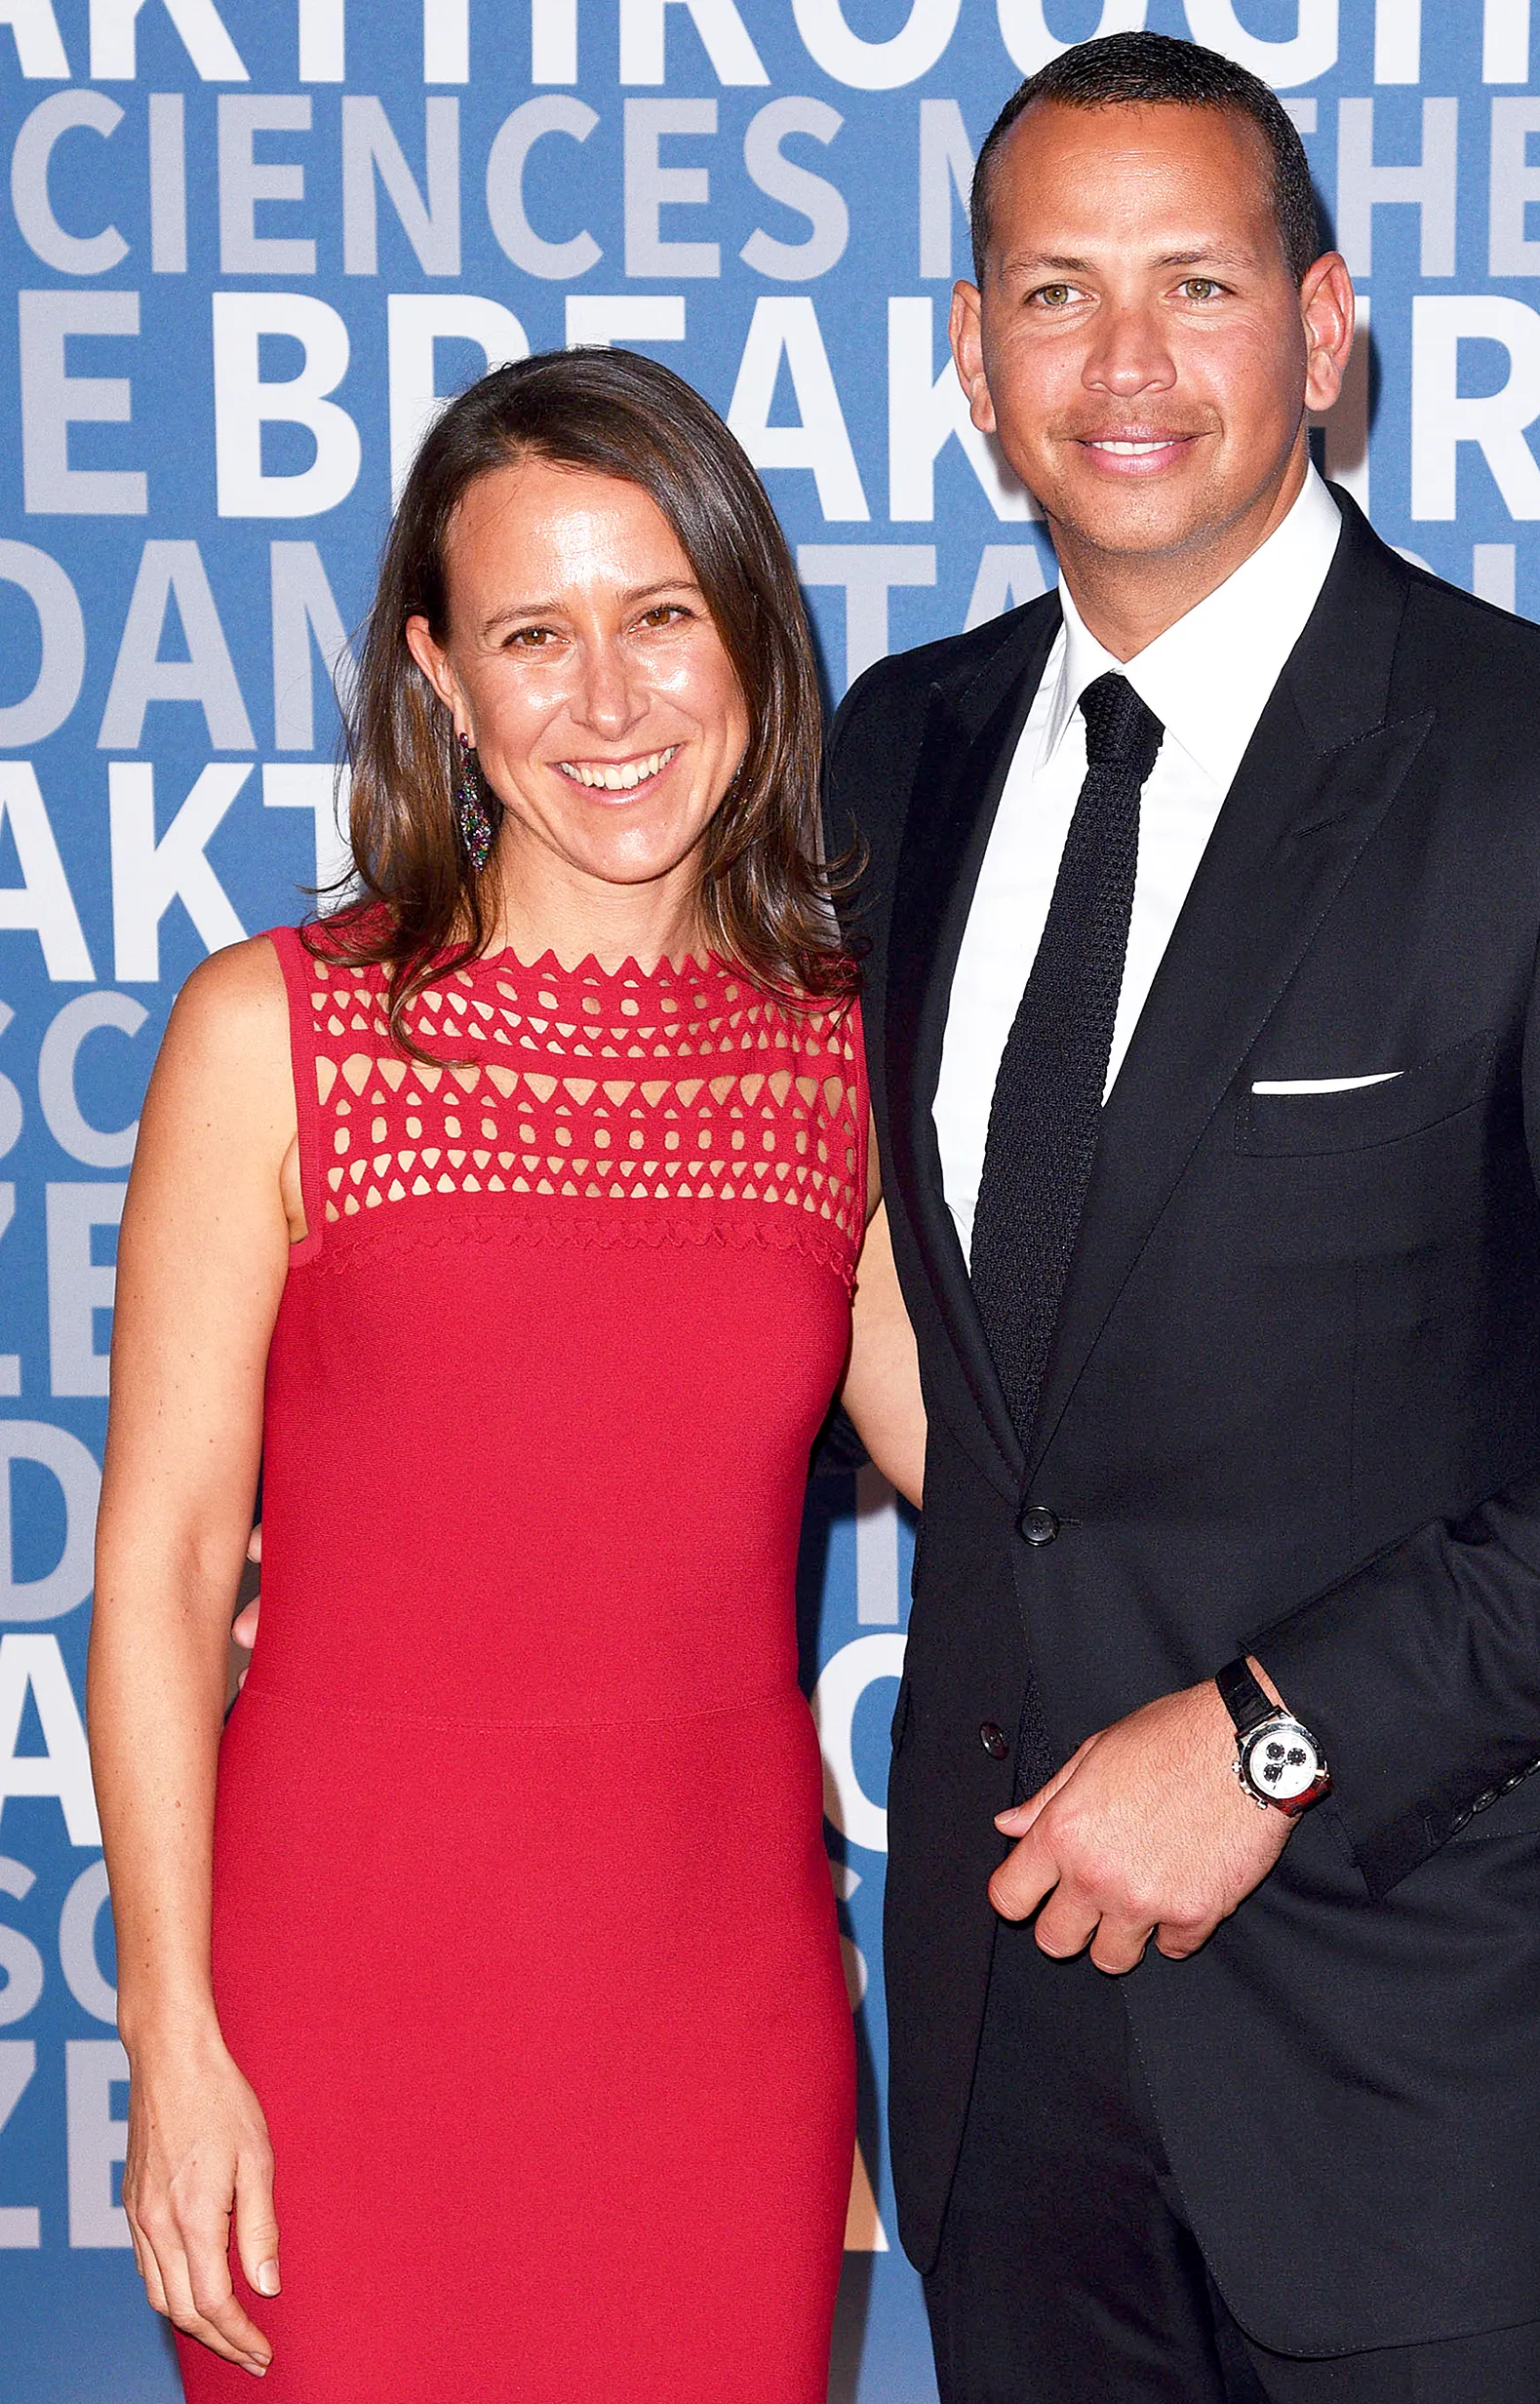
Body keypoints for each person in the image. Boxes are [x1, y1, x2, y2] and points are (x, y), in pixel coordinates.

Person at [828, 33, 1540, 2404]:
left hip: (1451, 2068)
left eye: (1194, 284)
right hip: (1012, 2084)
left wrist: (1273, 1735)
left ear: (1320, 332)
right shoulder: (896, 753)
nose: (1122, 362)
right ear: (972, 358)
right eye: (1055, 292)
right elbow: (854, 1305)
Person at [88, 348, 922, 2400]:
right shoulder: (273, 1032)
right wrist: (170, 2043)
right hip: (334, 2021)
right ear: (440, 677)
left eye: (663, 615)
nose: (610, 700)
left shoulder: (846, 1054)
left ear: (752, 638)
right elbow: (165, 1572)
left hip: (715, 2020)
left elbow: (1019, 1488)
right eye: (534, 635)